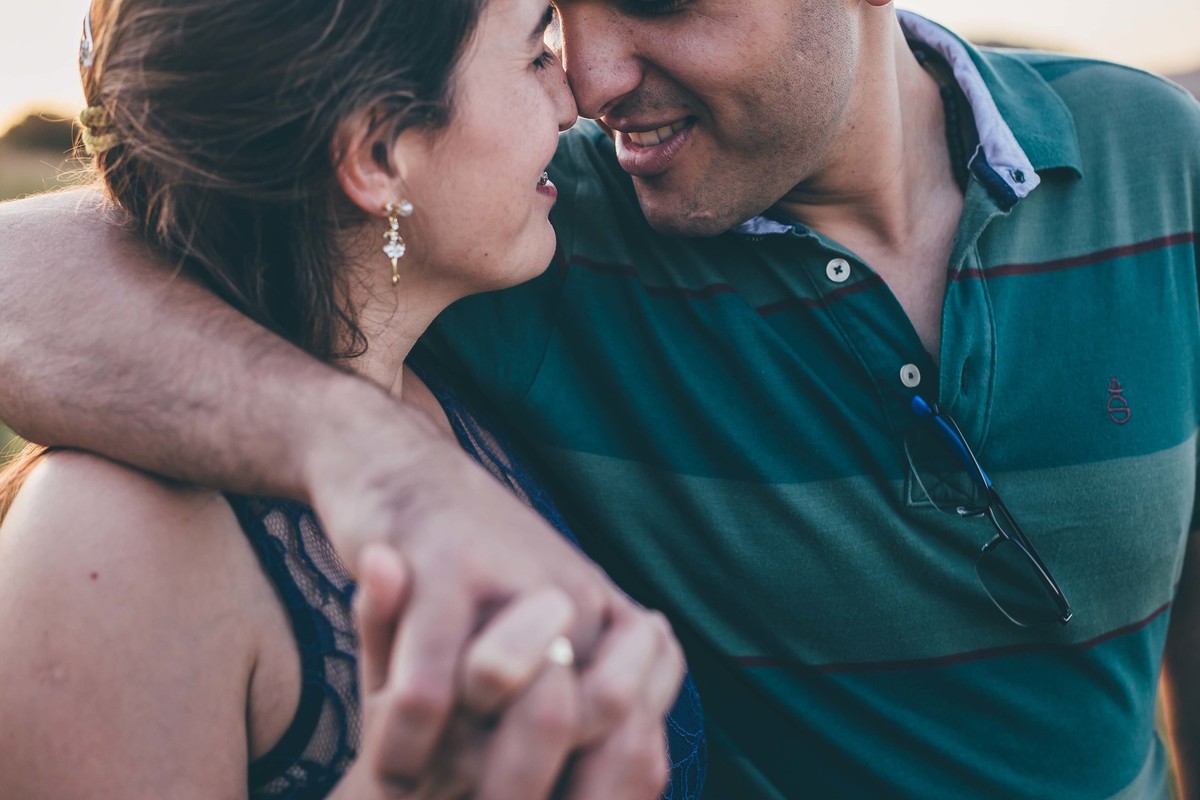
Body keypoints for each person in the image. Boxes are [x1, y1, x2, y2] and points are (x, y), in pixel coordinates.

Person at [2, 0, 1199, 796]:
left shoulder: (1161, 152)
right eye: (559, 20)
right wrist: (357, 453)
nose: (595, 77)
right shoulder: (547, 232)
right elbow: (60, 257)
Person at [0, 0, 701, 798]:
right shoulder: (105, 546)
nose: (573, 99)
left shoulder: (456, 378)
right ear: (375, 155)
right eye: (535, 51)